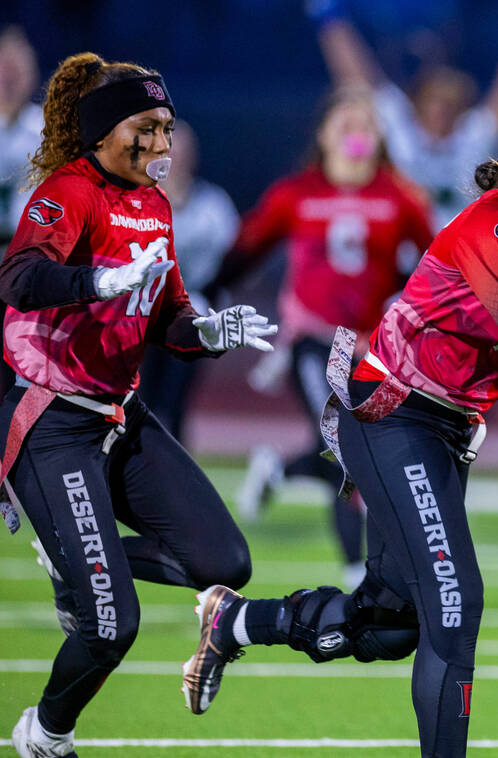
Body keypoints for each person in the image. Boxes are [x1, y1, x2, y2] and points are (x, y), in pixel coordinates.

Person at [180, 98, 498, 758]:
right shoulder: (496, 222)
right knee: (456, 605)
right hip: (391, 408)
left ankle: (237, 621)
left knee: (389, 622)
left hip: (446, 432)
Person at [1, 52, 277, 758]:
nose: (162, 145)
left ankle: (71, 560)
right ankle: (45, 735)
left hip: (117, 413)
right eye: (147, 127)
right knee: (109, 626)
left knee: (224, 560)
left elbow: (169, 313)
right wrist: (100, 279)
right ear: (102, 129)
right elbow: (22, 275)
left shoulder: (153, 203)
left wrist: (207, 333)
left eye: (168, 128)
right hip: (52, 416)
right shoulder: (69, 190)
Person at [204, 87, 434, 586]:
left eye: (365, 124)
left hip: (373, 344)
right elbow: (246, 249)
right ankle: (358, 571)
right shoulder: (296, 193)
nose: (356, 133)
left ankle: (281, 470)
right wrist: (204, 294)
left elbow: (435, 263)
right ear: (324, 134)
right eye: (345, 122)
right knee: (342, 442)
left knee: (366, 444)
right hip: (315, 338)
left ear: (379, 137)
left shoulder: (400, 196)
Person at [313, 0, 498, 228]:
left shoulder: (472, 138)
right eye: (433, 101)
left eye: (450, 103)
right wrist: (330, 16)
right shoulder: (401, 131)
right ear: (417, 103)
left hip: (459, 262)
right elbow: (358, 79)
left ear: (463, 109)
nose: (440, 110)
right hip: (404, 262)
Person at [136, 119, 240, 443]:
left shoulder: (213, 205)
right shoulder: (134, 203)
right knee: (141, 397)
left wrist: (218, 303)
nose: (174, 159)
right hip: (141, 315)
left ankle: (174, 470)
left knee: (175, 400)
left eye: (180, 152)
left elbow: (234, 262)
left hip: (192, 312)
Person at [0, 25, 43, 397]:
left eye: (18, 68)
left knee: (22, 375)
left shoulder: (46, 131)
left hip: (26, 266)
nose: (9, 76)